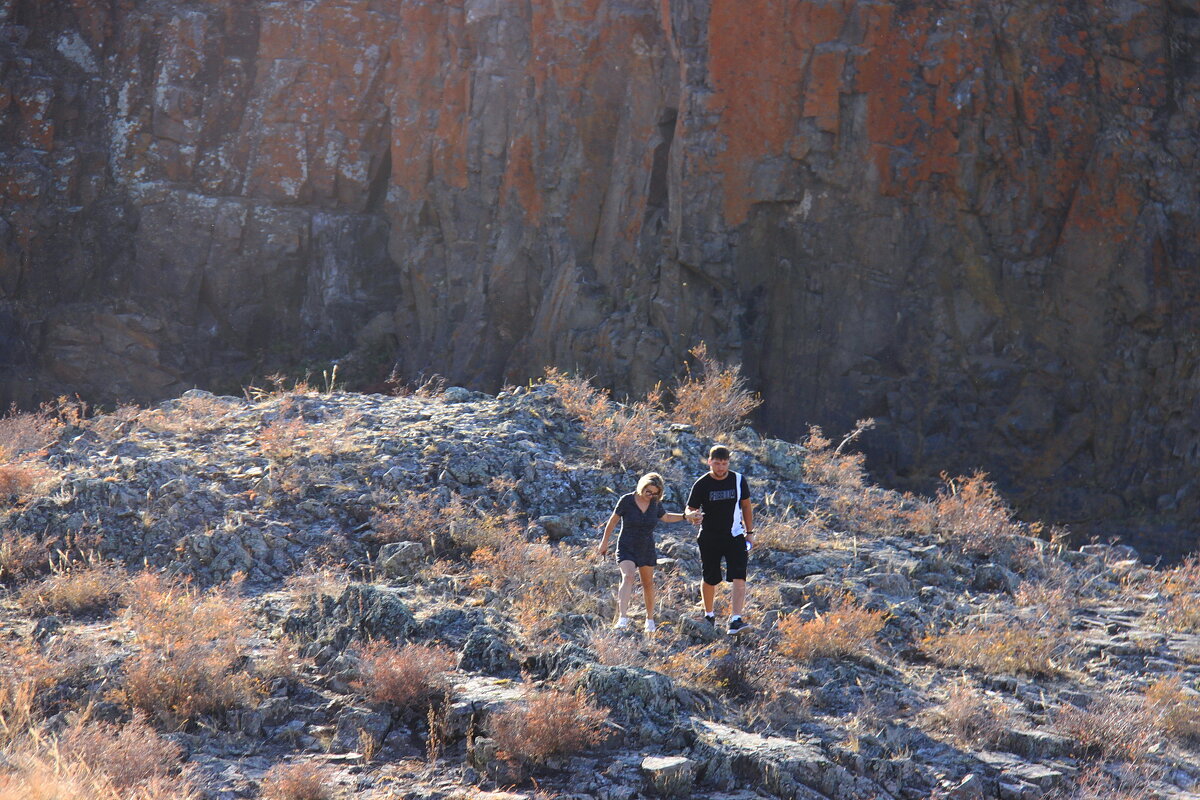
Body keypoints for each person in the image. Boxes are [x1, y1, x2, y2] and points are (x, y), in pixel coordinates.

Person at [597, 472, 697, 632]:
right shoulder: (627, 500)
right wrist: (604, 542)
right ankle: (622, 618)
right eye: (648, 492)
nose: (650, 496)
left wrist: (686, 516)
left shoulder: (655, 503)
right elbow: (612, 521)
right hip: (626, 546)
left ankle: (649, 620)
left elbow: (665, 517)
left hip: (646, 547)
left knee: (648, 584)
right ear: (641, 487)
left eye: (655, 493)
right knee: (628, 576)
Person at [686, 445, 755, 633]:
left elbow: (746, 507)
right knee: (710, 577)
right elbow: (690, 508)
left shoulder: (738, 480)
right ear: (709, 462)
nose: (721, 468)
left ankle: (736, 619)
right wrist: (692, 516)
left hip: (735, 535)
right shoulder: (701, 483)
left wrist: (750, 532)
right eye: (717, 464)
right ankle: (709, 615)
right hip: (709, 536)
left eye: (724, 464)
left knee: (739, 575)